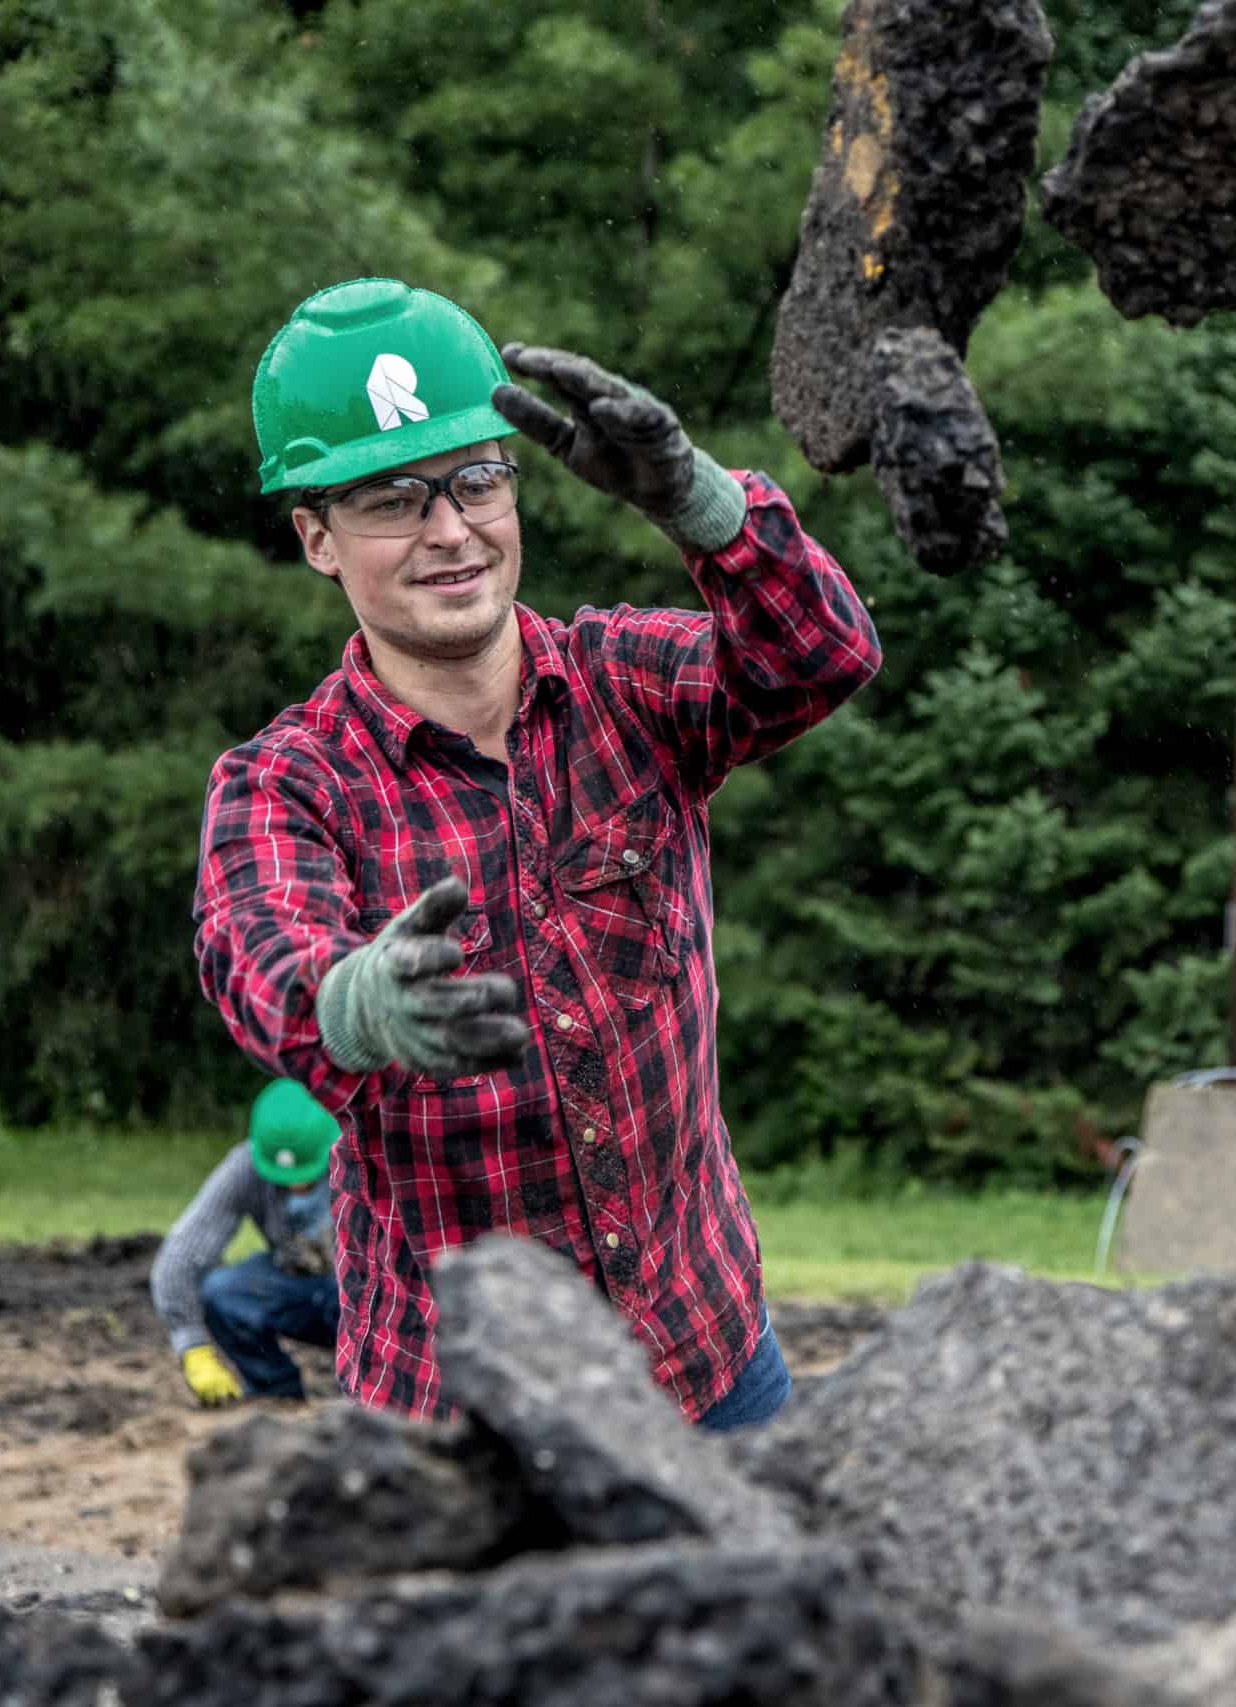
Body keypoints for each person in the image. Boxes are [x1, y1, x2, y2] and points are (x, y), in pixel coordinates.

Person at [194, 278, 880, 1432]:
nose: (450, 530)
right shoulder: (286, 782)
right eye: (390, 500)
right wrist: (357, 1003)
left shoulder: (626, 687)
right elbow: (262, 961)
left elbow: (823, 654)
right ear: (316, 536)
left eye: (475, 480)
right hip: (459, 1413)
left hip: (707, 1360)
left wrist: (699, 506)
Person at [152, 1078, 343, 1408]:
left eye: (307, 1175)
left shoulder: (367, 1158)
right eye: (285, 1179)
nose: (297, 1186)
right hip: (297, 1283)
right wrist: (192, 1344)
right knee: (222, 1291)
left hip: (366, 1295)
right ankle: (276, 1392)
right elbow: (181, 1254)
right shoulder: (245, 1165)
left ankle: (371, 1392)